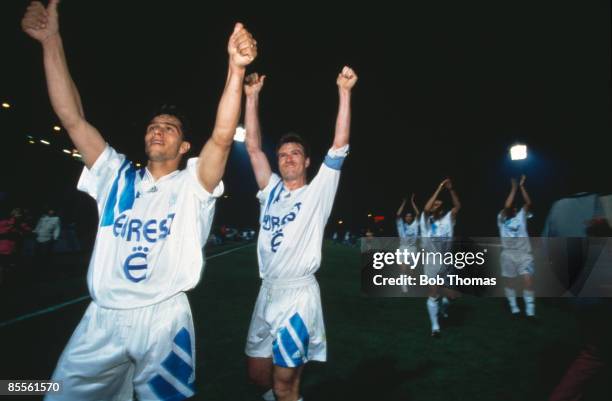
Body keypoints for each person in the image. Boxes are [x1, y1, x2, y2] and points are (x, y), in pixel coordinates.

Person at [22, 1, 257, 399]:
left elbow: (220, 136)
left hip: (164, 320)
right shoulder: (114, 175)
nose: (157, 130)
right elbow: (73, 117)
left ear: (184, 146)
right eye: (153, 126)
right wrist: (50, 41)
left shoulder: (192, 184)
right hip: (102, 318)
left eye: (168, 127)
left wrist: (235, 69)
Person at [242, 67, 357, 401]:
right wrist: (251, 97)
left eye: (295, 154)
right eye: (282, 154)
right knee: (257, 375)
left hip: (297, 297)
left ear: (307, 161)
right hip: (267, 292)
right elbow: (252, 147)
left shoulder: (318, 191)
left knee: (284, 385)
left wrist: (344, 92)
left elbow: (339, 145)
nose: (287, 158)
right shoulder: (272, 191)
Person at [420, 178, 461, 336]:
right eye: (434, 204)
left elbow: (458, 206)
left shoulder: (448, 219)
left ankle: (443, 308)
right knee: (434, 292)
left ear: (443, 210)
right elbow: (426, 208)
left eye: (438, 205)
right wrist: (439, 187)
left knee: (451, 296)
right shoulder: (425, 221)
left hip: (447, 262)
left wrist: (450, 189)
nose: (435, 206)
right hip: (432, 262)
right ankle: (435, 327)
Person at [497, 175, 535, 317]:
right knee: (510, 282)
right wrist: (513, 189)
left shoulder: (520, 216)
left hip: (524, 253)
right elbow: (507, 206)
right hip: (507, 254)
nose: (513, 208)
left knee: (528, 281)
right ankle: (514, 308)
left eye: (515, 208)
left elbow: (529, 203)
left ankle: (530, 311)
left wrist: (521, 187)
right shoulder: (501, 217)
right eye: (511, 207)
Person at [395, 195, 420, 292]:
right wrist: (403, 203)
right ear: (405, 218)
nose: (408, 217)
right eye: (407, 216)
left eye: (410, 216)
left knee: (411, 271)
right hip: (403, 248)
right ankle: (403, 286)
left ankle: (408, 282)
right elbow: (397, 215)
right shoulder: (401, 225)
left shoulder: (415, 224)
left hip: (413, 248)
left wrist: (412, 202)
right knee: (403, 268)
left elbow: (418, 214)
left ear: (412, 218)